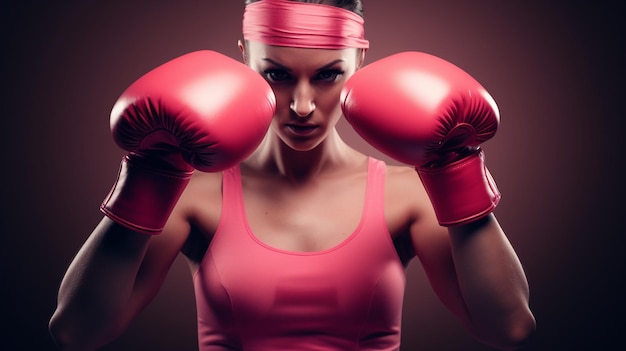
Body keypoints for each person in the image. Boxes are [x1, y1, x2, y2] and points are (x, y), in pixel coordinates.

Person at [49, 0, 536, 350]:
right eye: (276, 74)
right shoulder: (195, 193)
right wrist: (150, 176)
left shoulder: (407, 192)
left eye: (327, 74)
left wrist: (456, 167)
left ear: (359, 62)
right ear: (243, 57)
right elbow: (76, 332)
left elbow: (509, 329)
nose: (302, 106)